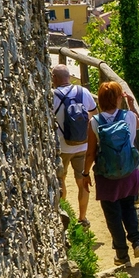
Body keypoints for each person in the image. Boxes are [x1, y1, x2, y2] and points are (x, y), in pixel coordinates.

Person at [85, 81, 139, 266]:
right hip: (129, 172)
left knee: (112, 214)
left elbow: (91, 152)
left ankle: (121, 255)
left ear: (100, 100)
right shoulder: (130, 117)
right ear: (119, 98)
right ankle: (137, 241)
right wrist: (132, 105)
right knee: (129, 208)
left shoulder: (94, 122)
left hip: (106, 176)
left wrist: (85, 173)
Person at [51, 64, 96, 225]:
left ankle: (63, 213)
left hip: (62, 146)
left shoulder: (52, 95)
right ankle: (82, 218)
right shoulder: (83, 92)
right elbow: (93, 114)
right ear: (69, 77)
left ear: (54, 78)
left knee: (60, 178)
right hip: (83, 145)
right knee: (82, 180)